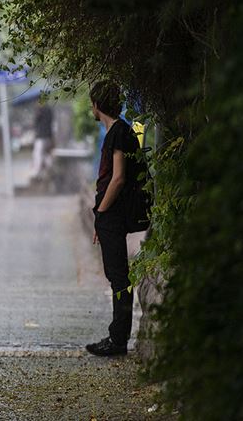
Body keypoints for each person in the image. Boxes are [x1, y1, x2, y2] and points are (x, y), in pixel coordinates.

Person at [86, 81, 141, 357]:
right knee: (117, 276)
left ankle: (118, 339)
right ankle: (117, 336)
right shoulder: (119, 131)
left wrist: (102, 211)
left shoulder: (118, 132)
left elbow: (117, 179)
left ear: (97, 105)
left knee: (119, 277)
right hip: (111, 215)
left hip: (114, 214)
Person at [31, 105, 54, 180]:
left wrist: (37, 112)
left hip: (41, 136)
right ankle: (50, 169)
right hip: (48, 136)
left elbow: (36, 122)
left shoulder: (40, 110)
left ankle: (37, 171)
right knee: (46, 154)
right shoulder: (49, 110)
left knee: (38, 154)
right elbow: (51, 122)